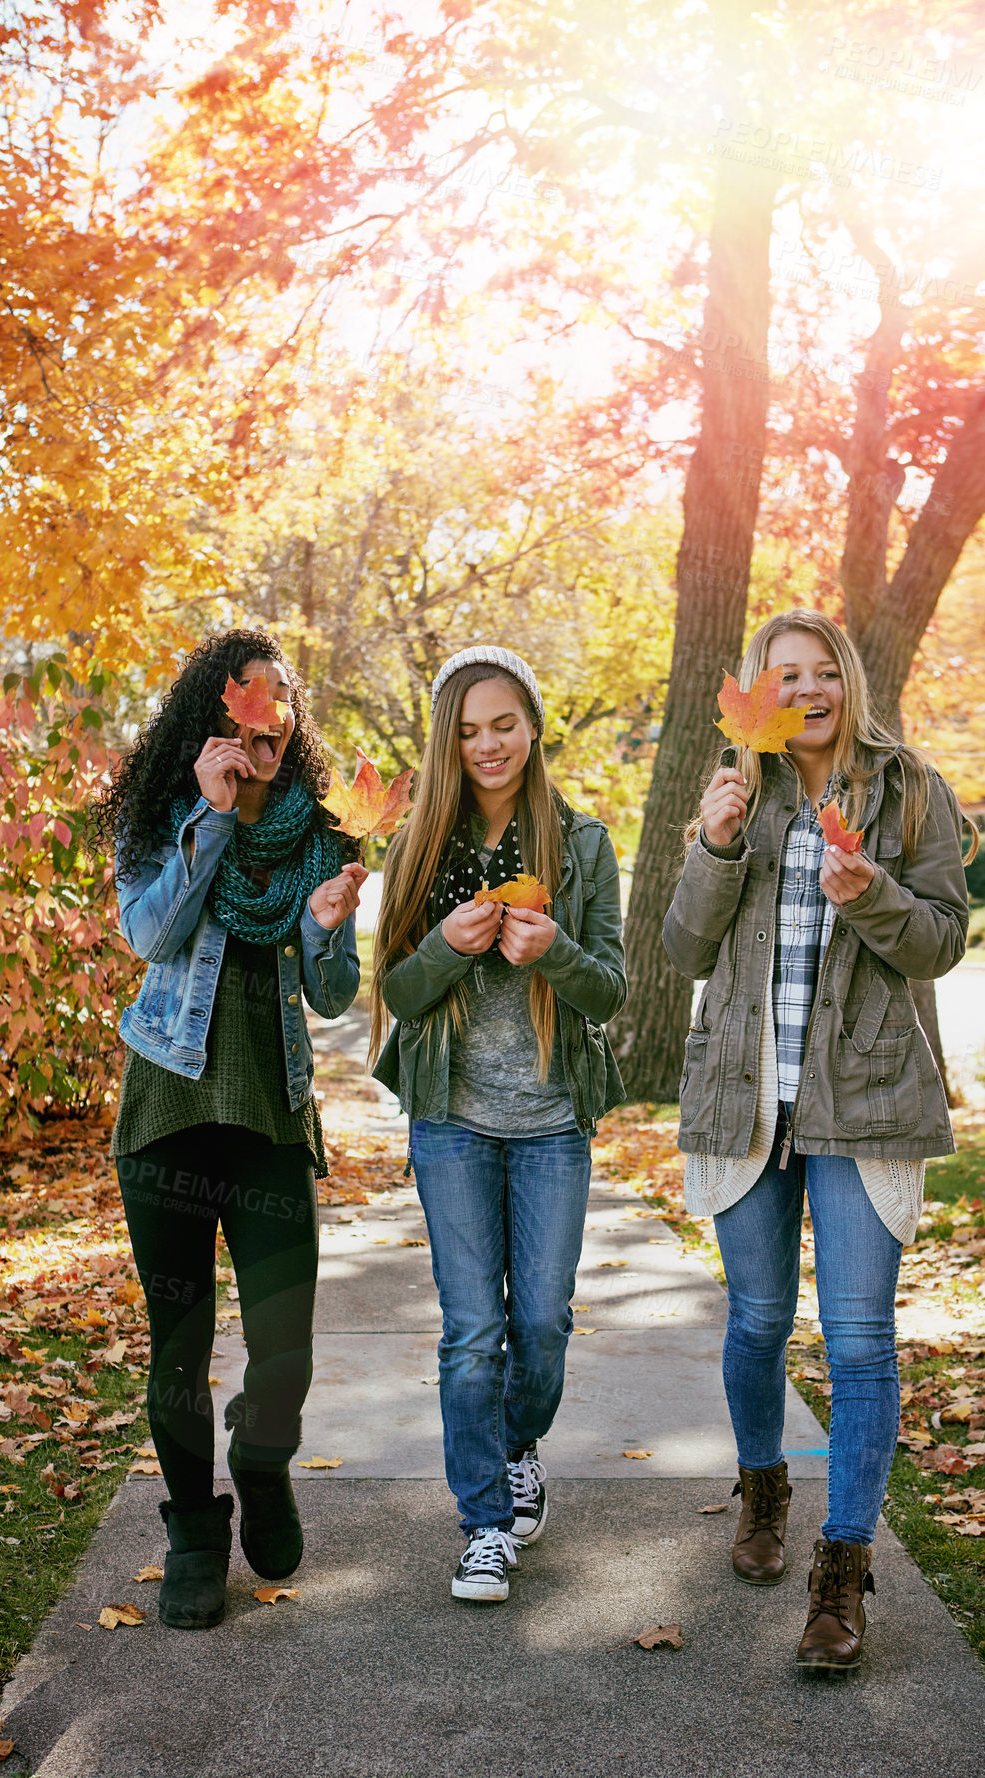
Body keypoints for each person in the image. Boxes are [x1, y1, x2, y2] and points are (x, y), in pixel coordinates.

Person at [663, 609, 973, 1670]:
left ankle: (840, 1574)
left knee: (857, 1339)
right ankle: (762, 1483)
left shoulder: (910, 787)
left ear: (847, 679)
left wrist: (875, 896)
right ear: (754, 687)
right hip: (747, 1093)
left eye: (821, 668)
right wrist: (710, 842)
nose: (806, 686)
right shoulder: (735, 789)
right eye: (780, 672)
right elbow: (681, 946)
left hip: (867, 1096)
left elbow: (939, 942)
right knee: (755, 1322)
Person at [93, 629, 366, 1630]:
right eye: (242, 704)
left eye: (277, 705)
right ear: (210, 716)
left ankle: (262, 1452)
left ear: (291, 721)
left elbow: (331, 996)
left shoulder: (323, 838)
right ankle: (195, 1534)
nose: (262, 722)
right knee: (178, 1345)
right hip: (168, 1110)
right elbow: (150, 936)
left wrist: (332, 924)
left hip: (268, 1117)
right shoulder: (160, 820)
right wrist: (208, 820)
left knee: (283, 1346)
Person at [371, 645, 627, 1603]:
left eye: (503, 724)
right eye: (468, 729)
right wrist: (443, 946)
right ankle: (482, 1523)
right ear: (448, 740)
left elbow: (609, 989)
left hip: (553, 1117)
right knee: (471, 1332)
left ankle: (517, 1443)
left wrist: (553, 951)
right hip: (453, 1123)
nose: (488, 744)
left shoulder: (580, 844)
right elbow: (392, 989)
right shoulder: (423, 847)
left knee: (543, 1324)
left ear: (532, 727)